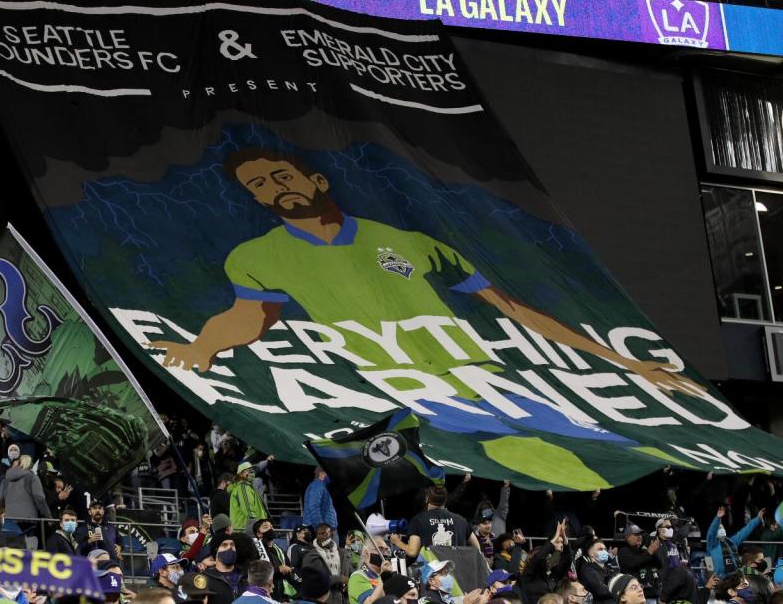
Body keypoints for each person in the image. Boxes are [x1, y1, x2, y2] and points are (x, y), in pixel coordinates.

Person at [150, 149, 705, 482]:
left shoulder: (408, 243)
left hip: (485, 381)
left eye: (280, 176)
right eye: (260, 187)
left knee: (626, 451)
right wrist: (205, 346)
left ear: (315, 180)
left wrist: (629, 364)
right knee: (509, 462)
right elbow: (251, 317)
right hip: (405, 398)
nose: (274, 189)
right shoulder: (256, 257)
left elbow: (513, 310)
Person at [392, 485, 480, 561]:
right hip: (458, 574)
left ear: (427, 499)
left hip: (433, 576)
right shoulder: (461, 520)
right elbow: (477, 549)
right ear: (445, 500)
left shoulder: (418, 520)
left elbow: (412, 552)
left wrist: (397, 542)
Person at [519, 520, 572, 604]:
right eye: (545, 557)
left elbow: (567, 561)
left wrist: (564, 538)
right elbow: (538, 558)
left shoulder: (552, 573)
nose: (546, 559)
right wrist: (554, 539)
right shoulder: (528, 574)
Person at [0, 454, 52, 529]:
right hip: (27, 519)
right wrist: (48, 516)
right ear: (30, 464)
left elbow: (0, 500)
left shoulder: (5, 480)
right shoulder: (32, 477)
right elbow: (39, 498)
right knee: (27, 540)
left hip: (8, 519)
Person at [708, 506, 765, 577]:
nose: (722, 529)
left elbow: (744, 532)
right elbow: (711, 533)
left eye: (722, 527)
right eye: (719, 528)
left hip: (734, 577)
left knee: (756, 574)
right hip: (719, 579)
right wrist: (717, 518)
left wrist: (757, 519)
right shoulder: (712, 545)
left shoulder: (731, 542)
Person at [616, 524, 660, 604]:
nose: (640, 536)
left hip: (652, 593)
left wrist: (653, 553)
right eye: (636, 534)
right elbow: (632, 563)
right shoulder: (623, 551)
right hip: (635, 596)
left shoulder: (643, 550)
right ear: (628, 537)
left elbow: (659, 565)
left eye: (640, 534)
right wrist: (649, 552)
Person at [347, 536, 392, 604]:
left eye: (387, 550)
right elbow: (371, 602)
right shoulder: (357, 577)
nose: (385, 553)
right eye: (380, 549)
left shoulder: (384, 577)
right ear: (366, 553)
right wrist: (383, 577)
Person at [229, 462, 269, 532]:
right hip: (245, 530)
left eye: (252, 471)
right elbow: (249, 511)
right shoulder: (242, 487)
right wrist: (257, 527)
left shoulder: (248, 487)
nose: (252, 473)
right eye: (249, 470)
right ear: (241, 474)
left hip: (250, 528)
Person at [314, 524, 347, 604]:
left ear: (332, 535)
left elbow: (344, 571)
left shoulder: (340, 552)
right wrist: (340, 579)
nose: (321, 537)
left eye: (325, 534)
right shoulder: (312, 554)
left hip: (338, 594)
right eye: (319, 534)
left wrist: (345, 582)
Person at [204, 536, 243, 604]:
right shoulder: (205, 578)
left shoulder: (247, 576)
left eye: (232, 545)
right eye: (224, 545)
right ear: (216, 552)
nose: (229, 548)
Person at [577, 538, 617, 604]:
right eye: (600, 549)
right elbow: (601, 591)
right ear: (591, 553)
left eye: (605, 549)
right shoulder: (587, 570)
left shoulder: (608, 569)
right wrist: (619, 588)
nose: (604, 552)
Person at [303, 469, 338, 536]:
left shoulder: (321, 486)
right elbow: (314, 507)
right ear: (321, 474)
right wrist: (321, 528)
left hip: (325, 530)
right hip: (323, 531)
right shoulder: (318, 486)